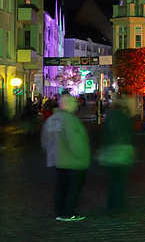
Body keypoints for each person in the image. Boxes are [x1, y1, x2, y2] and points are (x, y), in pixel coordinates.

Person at [41, 94, 90, 222]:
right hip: (73, 161)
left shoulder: (53, 119)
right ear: (67, 104)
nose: (76, 105)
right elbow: (75, 141)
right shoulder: (69, 119)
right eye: (74, 103)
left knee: (61, 186)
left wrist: (52, 153)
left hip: (58, 160)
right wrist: (82, 156)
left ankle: (60, 212)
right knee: (73, 187)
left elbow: (45, 140)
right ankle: (68, 213)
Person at [98, 95, 135, 214]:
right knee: (120, 180)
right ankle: (118, 204)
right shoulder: (125, 117)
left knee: (112, 180)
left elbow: (105, 134)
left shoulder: (110, 116)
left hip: (110, 151)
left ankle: (110, 204)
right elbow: (129, 134)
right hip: (122, 151)